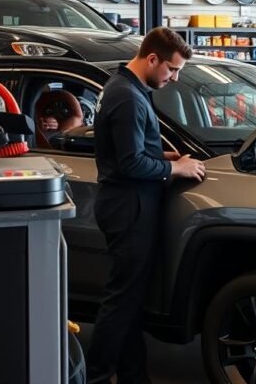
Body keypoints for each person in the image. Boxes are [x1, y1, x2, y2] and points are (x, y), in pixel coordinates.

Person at [86, 27, 206, 384]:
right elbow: (129, 164)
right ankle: (95, 375)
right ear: (152, 59)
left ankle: (133, 375)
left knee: (130, 301)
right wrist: (175, 167)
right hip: (129, 208)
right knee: (121, 301)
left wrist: (162, 153)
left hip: (127, 205)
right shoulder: (127, 97)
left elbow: (133, 148)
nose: (174, 78)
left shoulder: (126, 88)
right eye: (172, 69)